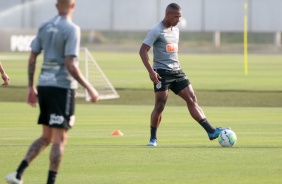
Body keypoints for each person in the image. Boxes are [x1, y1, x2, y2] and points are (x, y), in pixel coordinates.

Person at [5, 0, 99, 183]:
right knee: (59, 139)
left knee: (46, 137)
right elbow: (70, 65)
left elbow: (32, 58)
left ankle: (17, 174)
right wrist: (89, 87)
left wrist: (30, 87)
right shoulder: (72, 29)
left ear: (56, 6)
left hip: (44, 86)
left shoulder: (44, 26)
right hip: (62, 88)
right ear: (73, 6)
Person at [139, 3, 229, 147]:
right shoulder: (156, 30)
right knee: (160, 105)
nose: (179, 20)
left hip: (178, 71)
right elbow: (143, 51)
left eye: (180, 16)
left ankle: (211, 131)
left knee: (192, 99)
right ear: (168, 15)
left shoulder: (176, 30)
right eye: (176, 17)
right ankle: (153, 138)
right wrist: (151, 71)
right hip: (162, 73)